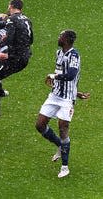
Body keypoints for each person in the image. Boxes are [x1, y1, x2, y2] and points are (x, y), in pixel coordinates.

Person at [34, 30, 86, 178]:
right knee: (40, 125)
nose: (58, 38)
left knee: (63, 127)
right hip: (54, 96)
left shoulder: (74, 55)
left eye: (60, 36)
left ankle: (65, 167)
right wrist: (56, 79)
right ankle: (59, 145)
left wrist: (54, 76)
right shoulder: (59, 53)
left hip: (67, 99)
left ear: (67, 40)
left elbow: (70, 76)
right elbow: (64, 77)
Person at [0, 0, 33, 121]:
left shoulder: (12, 19)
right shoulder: (27, 19)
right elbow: (31, 39)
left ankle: (0, 95)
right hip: (25, 57)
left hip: (15, 58)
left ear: (11, 6)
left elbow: (9, 39)